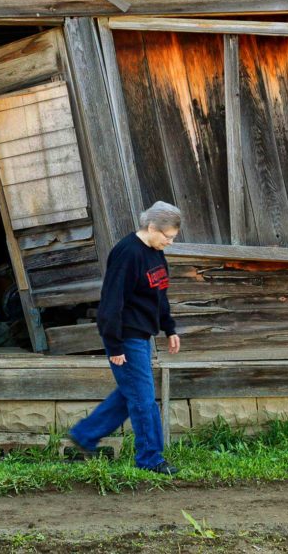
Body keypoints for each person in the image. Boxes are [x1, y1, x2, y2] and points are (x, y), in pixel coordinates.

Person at [69, 201, 182, 474]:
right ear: (152, 227)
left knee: (129, 393)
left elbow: (159, 294)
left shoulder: (156, 253)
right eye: (167, 236)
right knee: (144, 400)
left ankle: (84, 435)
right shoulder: (127, 253)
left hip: (142, 334)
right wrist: (115, 344)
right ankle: (151, 459)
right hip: (125, 336)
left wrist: (169, 328)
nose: (169, 242)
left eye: (173, 238)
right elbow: (111, 302)